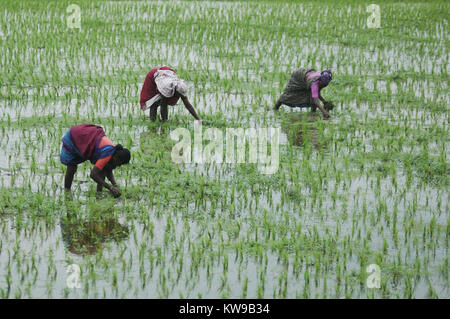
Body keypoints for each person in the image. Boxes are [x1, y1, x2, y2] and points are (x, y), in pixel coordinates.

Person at [60, 124, 130, 197]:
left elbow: (108, 170)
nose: (118, 165)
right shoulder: (107, 153)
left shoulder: (112, 153)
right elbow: (93, 174)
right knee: (72, 167)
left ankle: (99, 194)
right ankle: (67, 192)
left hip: (85, 139)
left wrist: (115, 185)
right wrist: (110, 188)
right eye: (120, 163)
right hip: (75, 137)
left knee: (104, 168)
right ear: (116, 157)